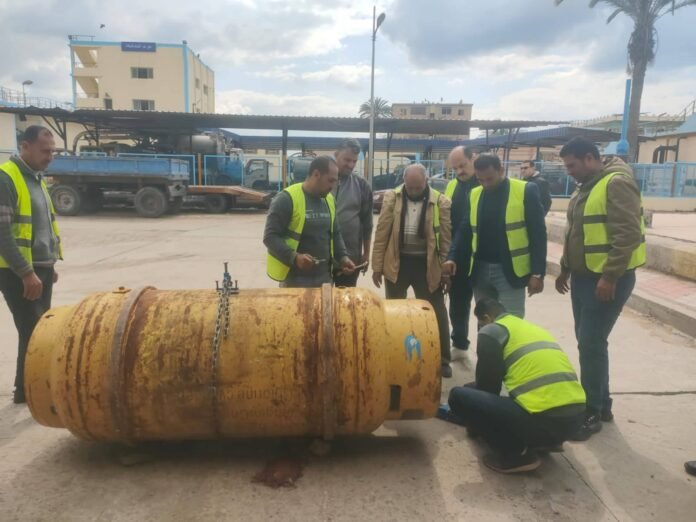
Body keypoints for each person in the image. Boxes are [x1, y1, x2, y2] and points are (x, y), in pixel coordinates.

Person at [555, 137, 645, 441]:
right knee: (589, 342)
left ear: (591, 158)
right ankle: (602, 404)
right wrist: (565, 268)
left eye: (572, 165)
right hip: (583, 277)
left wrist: (609, 277)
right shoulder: (586, 186)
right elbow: (576, 233)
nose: (569, 171)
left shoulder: (616, 183)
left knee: (591, 342)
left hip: (606, 280)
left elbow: (628, 234)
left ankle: (591, 411)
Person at [448, 297, 586, 474]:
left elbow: (488, 388)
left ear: (486, 318)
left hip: (545, 421)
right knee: (475, 391)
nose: (481, 328)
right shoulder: (531, 328)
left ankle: (516, 454)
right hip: (575, 419)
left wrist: (473, 421)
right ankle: (546, 442)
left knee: (458, 396)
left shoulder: (491, 331)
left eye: (480, 324)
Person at [371, 164, 453, 377]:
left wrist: (445, 272)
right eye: (410, 187)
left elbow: (445, 240)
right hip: (397, 263)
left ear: (426, 181)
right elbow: (382, 233)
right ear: (404, 182)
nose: (414, 191)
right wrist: (377, 266)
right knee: (393, 311)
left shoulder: (441, 202)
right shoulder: (392, 198)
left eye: (418, 187)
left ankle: (443, 359)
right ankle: (394, 354)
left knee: (435, 311)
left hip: (427, 265)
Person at [0, 126, 62, 404]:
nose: (50, 156)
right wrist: (26, 272)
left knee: (37, 329)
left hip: (41, 268)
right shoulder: (6, 178)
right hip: (17, 271)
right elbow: (2, 233)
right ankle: (30, 391)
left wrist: (50, 263)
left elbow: (42, 227)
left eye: (52, 151)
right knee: (33, 330)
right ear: (24, 147)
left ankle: (26, 389)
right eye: (45, 151)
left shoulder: (37, 179)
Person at [443, 154, 547, 319]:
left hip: (510, 271)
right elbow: (465, 229)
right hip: (480, 270)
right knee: (485, 322)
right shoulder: (474, 194)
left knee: (510, 322)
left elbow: (538, 235)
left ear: (501, 170)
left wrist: (537, 274)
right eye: (480, 180)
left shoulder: (525, 190)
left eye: (490, 179)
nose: (486, 184)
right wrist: (452, 257)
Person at [264, 156, 356, 288]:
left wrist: (343, 257)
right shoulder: (286, 199)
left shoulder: (329, 200)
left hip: (325, 279)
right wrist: (295, 257)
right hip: (295, 281)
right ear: (316, 174)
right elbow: (270, 237)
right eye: (330, 180)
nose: (332, 186)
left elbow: (335, 233)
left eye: (335, 182)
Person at [444, 146, 478, 358]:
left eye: (462, 166)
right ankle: (459, 343)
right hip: (458, 257)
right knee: (458, 302)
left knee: (484, 305)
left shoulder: (485, 183)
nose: (459, 172)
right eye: (455, 168)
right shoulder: (452, 186)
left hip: (481, 255)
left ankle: (488, 349)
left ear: (473, 158)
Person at [331, 139, 373, 287]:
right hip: (322, 260)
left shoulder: (362, 185)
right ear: (336, 155)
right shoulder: (322, 182)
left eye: (354, 161)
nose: (351, 165)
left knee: (346, 299)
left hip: (350, 260)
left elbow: (367, 224)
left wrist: (366, 254)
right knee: (321, 299)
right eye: (347, 160)